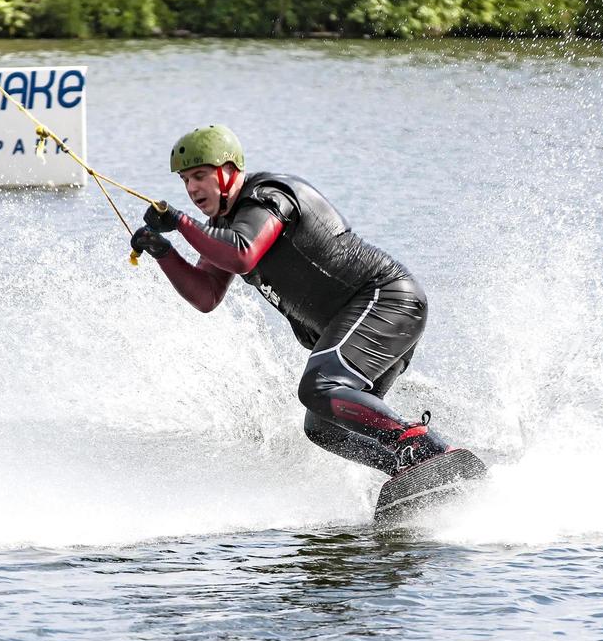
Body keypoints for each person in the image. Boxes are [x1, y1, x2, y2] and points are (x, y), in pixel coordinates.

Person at [130, 124, 456, 476]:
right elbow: (207, 295)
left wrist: (179, 221)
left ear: (227, 172)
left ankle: (421, 446)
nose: (192, 188)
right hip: (367, 320)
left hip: (385, 301)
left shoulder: (267, 196)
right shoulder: (221, 227)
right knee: (322, 427)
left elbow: (243, 255)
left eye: (199, 175)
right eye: (184, 181)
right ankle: (410, 471)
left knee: (319, 387)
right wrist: (164, 252)